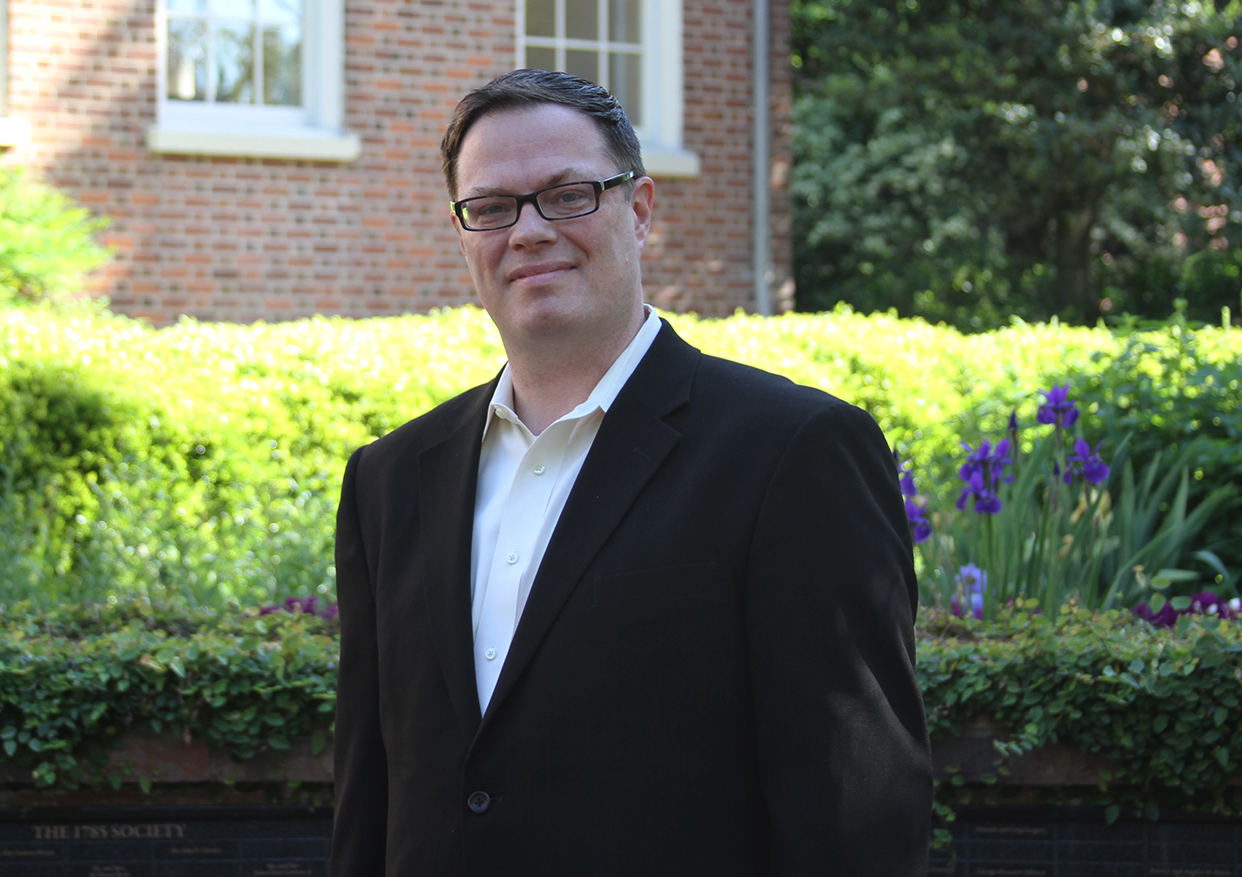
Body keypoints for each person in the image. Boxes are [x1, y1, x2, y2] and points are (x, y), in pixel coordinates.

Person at [332, 69, 930, 876]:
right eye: (493, 207)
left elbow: (856, 813)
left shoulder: (793, 453)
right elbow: (371, 800)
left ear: (640, 209)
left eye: (569, 194)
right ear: (464, 233)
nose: (530, 230)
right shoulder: (390, 478)